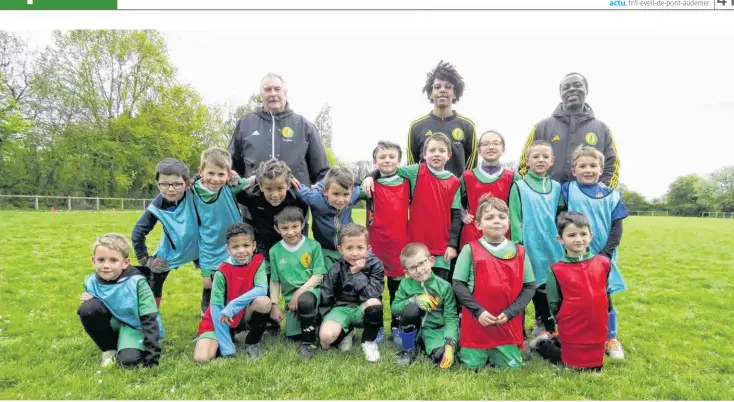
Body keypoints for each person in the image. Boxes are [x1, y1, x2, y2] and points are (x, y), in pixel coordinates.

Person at [363, 133, 462, 282]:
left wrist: (452, 245)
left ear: (448, 155)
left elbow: (456, 216)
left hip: (442, 247)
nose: (436, 154)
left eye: (441, 151)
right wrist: (370, 176)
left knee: (439, 290)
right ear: (424, 154)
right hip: (416, 245)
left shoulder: (454, 182)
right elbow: (389, 168)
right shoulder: (416, 171)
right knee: (416, 291)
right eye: (432, 150)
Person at [452, 197, 536, 370]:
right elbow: (458, 284)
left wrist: (511, 313)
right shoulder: (470, 249)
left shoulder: (520, 251)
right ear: (478, 225)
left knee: (511, 368)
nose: (496, 221)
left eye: (501, 217)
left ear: (508, 222)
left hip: (506, 323)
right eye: (489, 218)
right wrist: (478, 312)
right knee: (471, 367)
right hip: (477, 323)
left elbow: (529, 287)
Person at [561, 145, 628, 359]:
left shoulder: (612, 196)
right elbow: (560, 218)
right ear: (574, 170)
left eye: (593, 165)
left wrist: (606, 253)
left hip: (602, 256)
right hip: (574, 254)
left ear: (601, 169)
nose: (587, 170)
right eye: (582, 166)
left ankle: (612, 338)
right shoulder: (567, 190)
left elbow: (617, 228)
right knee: (574, 296)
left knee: (603, 296)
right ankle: (574, 334)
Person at [235, 158, 309, 335]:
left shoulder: (297, 198)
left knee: (293, 279)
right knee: (265, 280)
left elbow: (303, 218)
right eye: (268, 189)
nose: (274, 194)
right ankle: (267, 320)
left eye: (280, 188)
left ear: (288, 185)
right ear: (260, 186)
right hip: (262, 244)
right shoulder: (251, 195)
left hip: (289, 243)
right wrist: (249, 180)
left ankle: (300, 314)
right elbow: (231, 191)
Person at [529, 211, 611, 371]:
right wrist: (565, 316)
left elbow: (604, 289)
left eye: (583, 234)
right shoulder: (557, 270)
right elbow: (554, 302)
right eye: (572, 235)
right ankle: (542, 344)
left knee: (595, 365)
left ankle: (555, 338)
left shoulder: (603, 263)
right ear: (560, 239)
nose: (578, 239)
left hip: (597, 325)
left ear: (591, 236)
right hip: (571, 325)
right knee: (572, 365)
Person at [518, 72, 621, 188]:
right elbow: (524, 163)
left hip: (588, 203)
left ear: (586, 90)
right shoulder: (542, 127)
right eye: (566, 87)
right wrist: (534, 190)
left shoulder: (602, 129)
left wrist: (602, 191)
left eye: (577, 85)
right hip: (547, 201)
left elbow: (612, 165)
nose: (571, 89)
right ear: (561, 94)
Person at [228, 73, 330, 188]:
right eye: (267, 90)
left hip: (294, 202)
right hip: (251, 201)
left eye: (277, 89)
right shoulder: (246, 122)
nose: (273, 94)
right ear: (261, 95)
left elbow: (322, 172)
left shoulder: (305, 126)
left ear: (285, 93)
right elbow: (230, 164)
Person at [78, 234, 162, 368]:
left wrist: (152, 355)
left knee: (128, 362)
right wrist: (88, 302)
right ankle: (108, 349)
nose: (106, 265)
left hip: (134, 326)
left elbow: (149, 318)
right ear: (93, 261)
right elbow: (95, 312)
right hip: (113, 322)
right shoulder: (90, 281)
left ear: (125, 263)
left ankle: (127, 344)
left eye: (113, 260)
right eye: (101, 260)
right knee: (88, 308)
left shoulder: (138, 283)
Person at [508, 140, 565, 337]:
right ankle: (517, 330)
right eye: (536, 156)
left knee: (547, 287)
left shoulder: (557, 188)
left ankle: (545, 323)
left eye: (545, 156)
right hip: (528, 246)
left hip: (552, 246)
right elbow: (514, 216)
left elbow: (560, 216)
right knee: (524, 286)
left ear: (552, 161)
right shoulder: (519, 186)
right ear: (527, 160)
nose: (540, 160)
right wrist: (518, 244)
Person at [193, 223, 271, 362]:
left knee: (264, 302)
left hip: (239, 312)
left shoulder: (258, 261)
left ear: (253, 246)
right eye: (235, 247)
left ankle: (252, 341)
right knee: (202, 358)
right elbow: (217, 309)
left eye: (246, 246)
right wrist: (227, 349)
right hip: (220, 318)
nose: (241, 251)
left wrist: (233, 306)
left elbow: (262, 289)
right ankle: (223, 338)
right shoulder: (221, 271)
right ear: (228, 249)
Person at [131, 158, 199, 309]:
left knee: (215, 278)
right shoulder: (157, 205)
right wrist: (146, 261)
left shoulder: (195, 190)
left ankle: (211, 317)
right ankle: (150, 316)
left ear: (186, 183)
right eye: (164, 184)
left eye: (176, 184)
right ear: (157, 184)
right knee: (155, 278)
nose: (170, 189)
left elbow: (211, 174)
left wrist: (231, 174)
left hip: (201, 246)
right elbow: (137, 233)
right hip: (172, 250)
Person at [192, 147, 249, 316]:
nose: (215, 179)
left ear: (228, 174)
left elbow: (253, 180)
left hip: (231, 242)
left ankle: (232, 308)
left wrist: (239, 178)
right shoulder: (192, 190)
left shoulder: (230, 188)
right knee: (208, 280)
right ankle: (207, 306)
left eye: (221, 174)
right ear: (201, 171)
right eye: (211, 173)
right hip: (208, 242)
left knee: (231, 277)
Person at [365, 140, 410, 346]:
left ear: (399, 160)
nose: (387, 160)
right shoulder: (369, 185)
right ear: (375, 161)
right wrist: (368, 176)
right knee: (374, 288)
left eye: (392, 156)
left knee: (396, 290)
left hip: (399, 245)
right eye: (382, 157)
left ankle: (397, 326)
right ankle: (378, 326)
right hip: (375, 244)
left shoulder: (407, 182)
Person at [318, 224, 385, 362]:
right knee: (325, 338)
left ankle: (369, 341)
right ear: (340, 249)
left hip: (363, 308)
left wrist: (356, 273)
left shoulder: (376, 265)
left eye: (360, 248)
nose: (355, 253)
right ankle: (346, 331)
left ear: (368, 248)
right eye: (349, 248)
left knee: (375, 304)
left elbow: (372, 293)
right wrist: (326, 320)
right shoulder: (336, 267)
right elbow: (326, 295)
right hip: (342, 308)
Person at [267, 207, 327, 359]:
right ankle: (312, 326)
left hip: (311, 292)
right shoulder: (274, 251)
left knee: (305, 301)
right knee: (292, 337)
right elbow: (274, 280)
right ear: (277, 229)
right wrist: (274, 306)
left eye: (295, 226)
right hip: (291, 302)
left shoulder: (313, 246)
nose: (291, 232)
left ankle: (309, 343)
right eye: (285, 228)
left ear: (302, 224)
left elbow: (318, 275)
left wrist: (300, 292)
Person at [391, 243, 458, 369]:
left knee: (441, 357)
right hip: (412, 329)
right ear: (407, 272)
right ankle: (408, 349)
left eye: (422, 263)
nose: (419, 270)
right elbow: (394, 309)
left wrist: (450, 344)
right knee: (411, 308)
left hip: (434, 330)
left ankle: (432, 348)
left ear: (431, 261)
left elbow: (451, 318)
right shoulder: (405, 284)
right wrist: (413, 300)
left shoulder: (444, 287)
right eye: (412, 268)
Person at [407, 60, 477, 178]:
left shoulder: (467, 125)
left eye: (448, 87)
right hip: (426, 193)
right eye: (437, 87)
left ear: (455, 94)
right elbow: (411, 166)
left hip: (457, 193)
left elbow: (471, 167)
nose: (443, 90)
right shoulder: (416, 126)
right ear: (430, 93)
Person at [460, 130, 518, 250]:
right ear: (479, 150)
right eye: (485, 144)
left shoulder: (512, 177)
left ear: (503, 148)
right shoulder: (467, 176)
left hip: (502, 233)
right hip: (473, 233)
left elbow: (519, 208)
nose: (491, 147)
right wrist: (462, 213)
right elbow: (453, 199)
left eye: (496, 143)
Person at [295, 166, 362, 268]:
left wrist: (371, 178)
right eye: (336, 194)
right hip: (325, 249)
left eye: (345, 194)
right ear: (325, 191)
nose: (341, 199)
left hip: (347, 247)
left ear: (351, 191)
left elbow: (368, 186)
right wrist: (288, 179)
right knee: (328, 275)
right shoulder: (316, 200)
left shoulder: (353, 195)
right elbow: (298, 188)